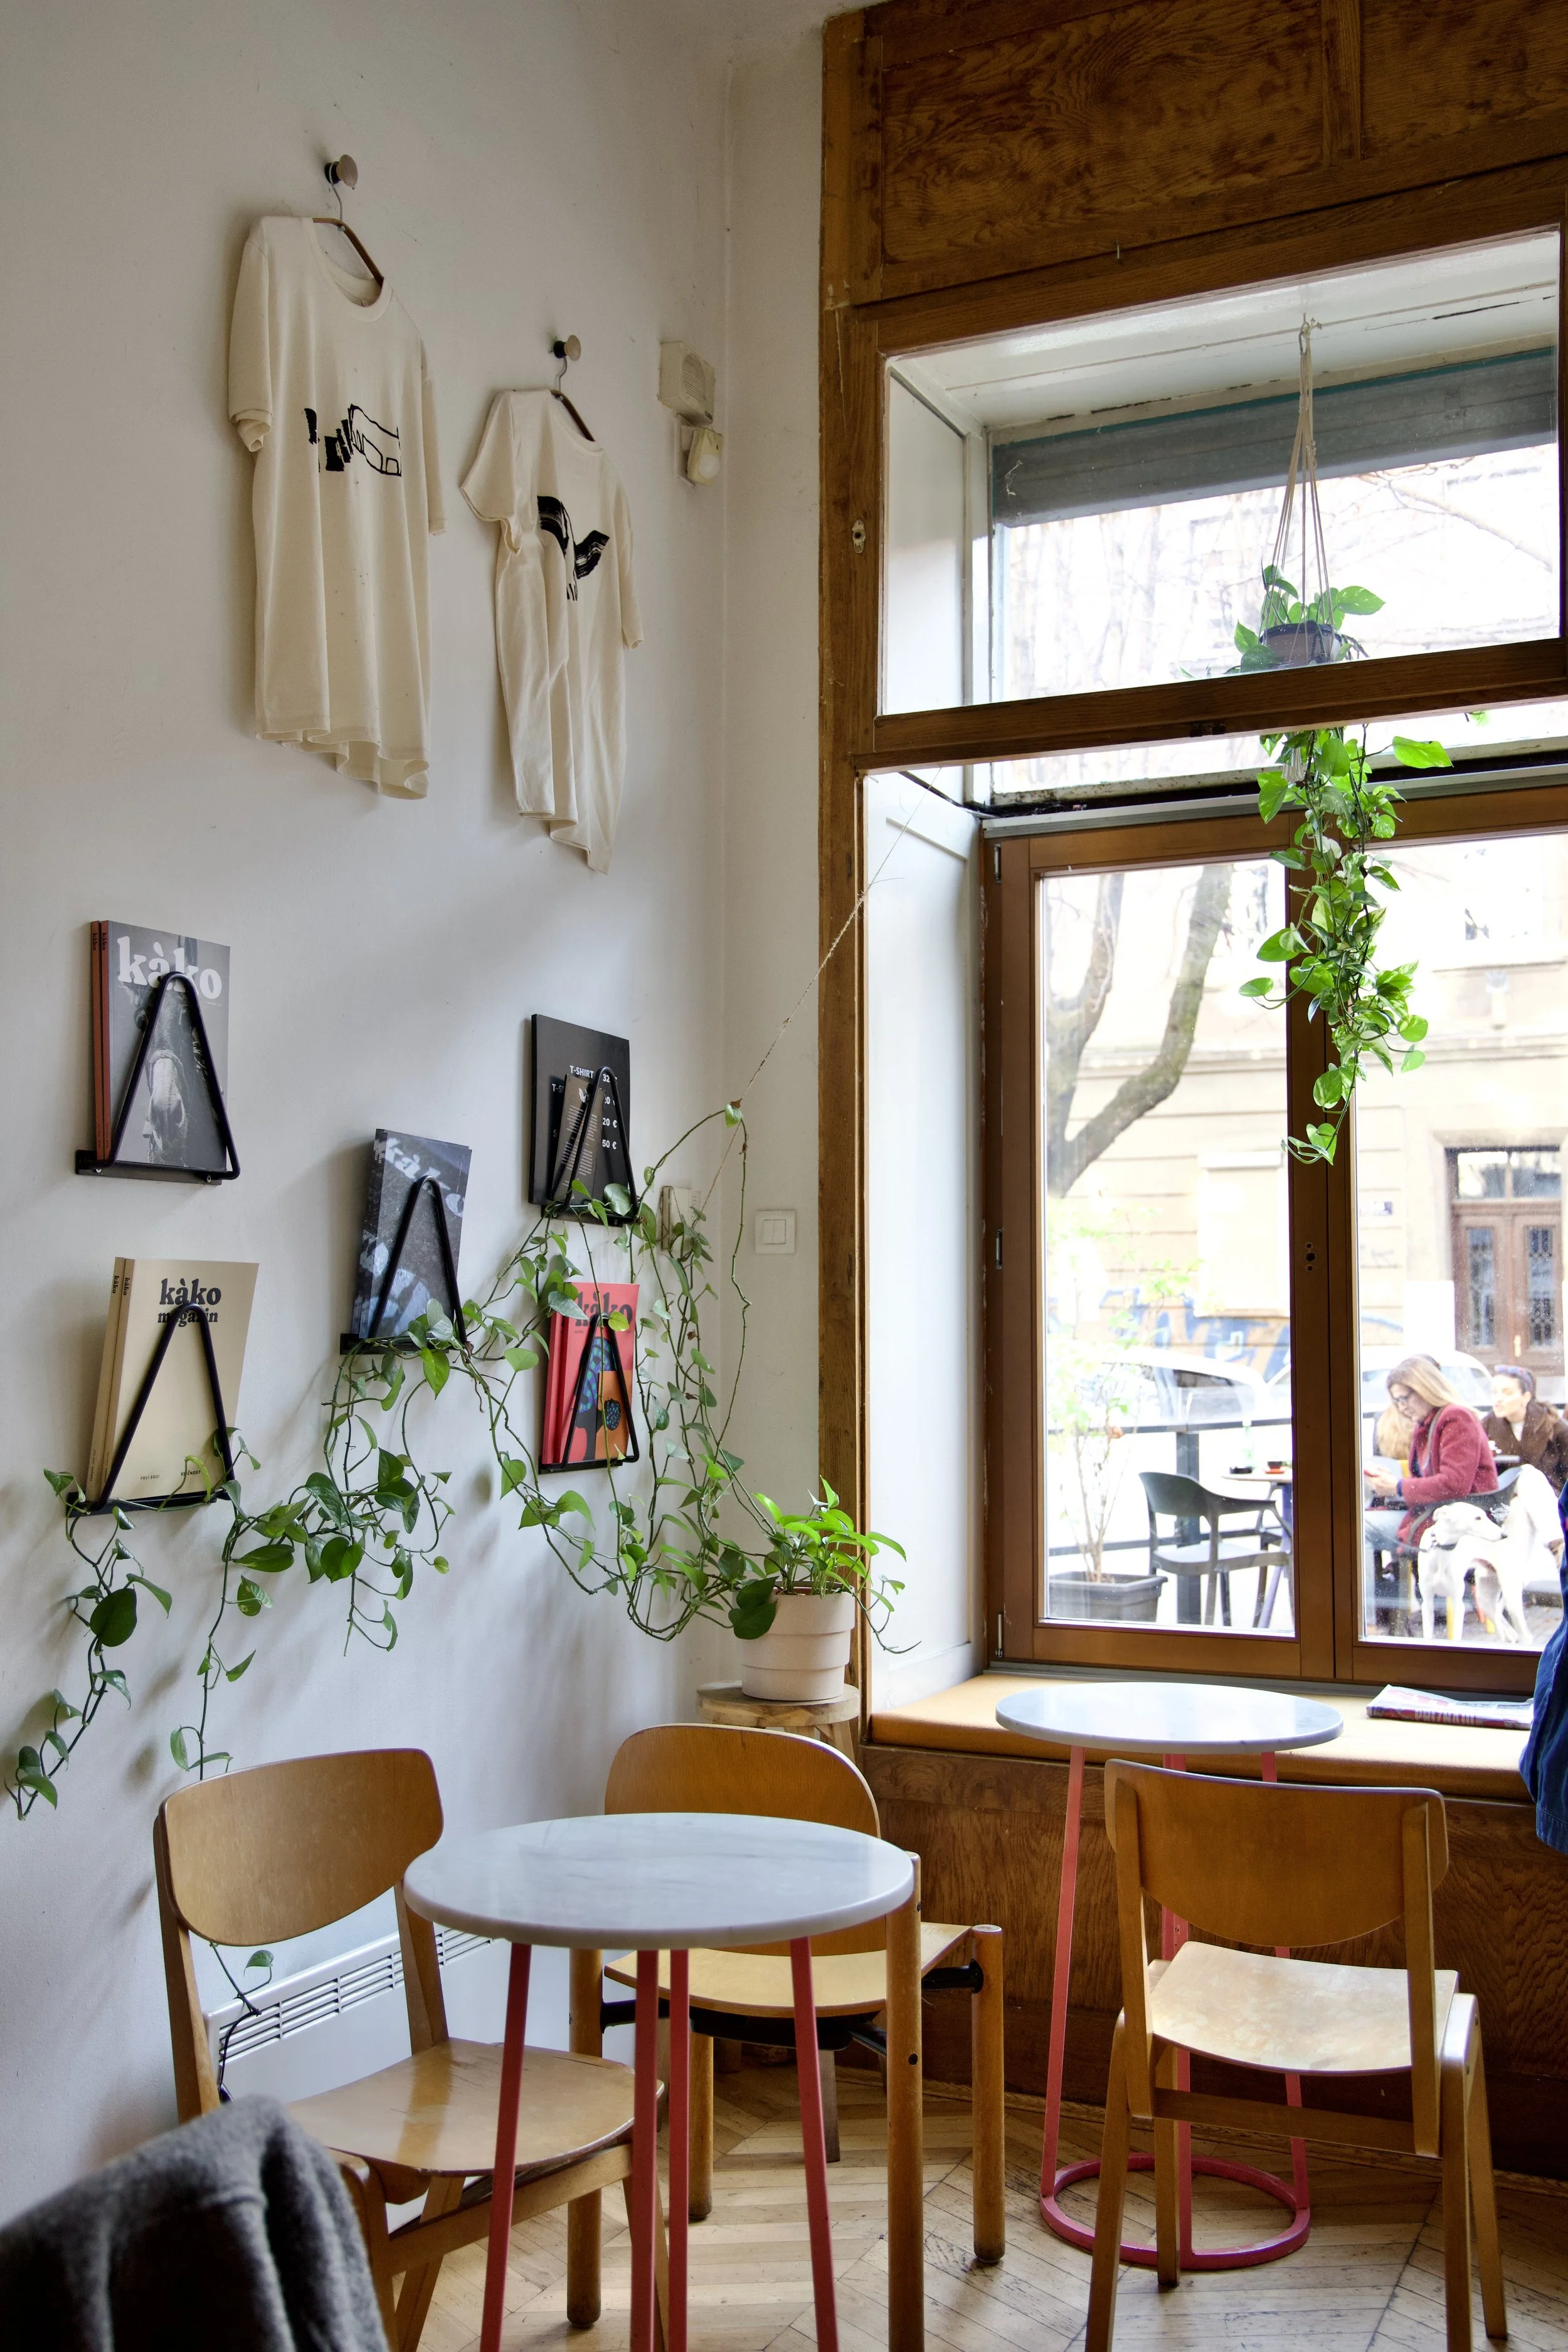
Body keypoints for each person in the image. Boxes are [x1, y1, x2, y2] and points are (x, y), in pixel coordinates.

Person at [1364, 1354, 1498, 1559]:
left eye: (1405, 1398)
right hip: (1437, 1513)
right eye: (1397, 1401)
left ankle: (1358, 1591)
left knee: (1359, 1527)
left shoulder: (1456, 1418)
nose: (1401, 1407)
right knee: (1358, 1521)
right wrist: (1391, 1481)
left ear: (1425, 1388)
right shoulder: (1430, 1422)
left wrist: (1398, 1487)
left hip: (1459, 1520)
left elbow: (1454, 1484)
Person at [1483, 1363, 1568, 1496]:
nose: (1498, 1399)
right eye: (1494, 1392)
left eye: (1507, 1393)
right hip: (1504, 1501)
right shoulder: (1485, 1427)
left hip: (1550, 1499)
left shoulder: (1553, 1426)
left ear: (1526, 1397)